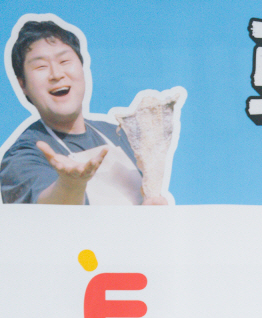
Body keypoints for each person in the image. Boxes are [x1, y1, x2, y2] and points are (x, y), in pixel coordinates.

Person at [1, 18, 163, 205]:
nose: (56, 74)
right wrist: (70, 185)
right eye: (41, 66)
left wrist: (154, 211)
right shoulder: (22, 156)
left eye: (64, 61)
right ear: (22, 85)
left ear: (82, 68)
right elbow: (45, 212)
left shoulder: (120, 134)